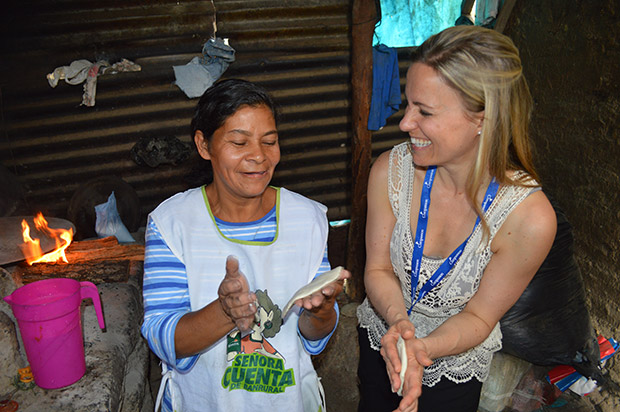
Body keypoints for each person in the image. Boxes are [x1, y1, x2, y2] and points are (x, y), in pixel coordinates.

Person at [356, 25, 557, 412]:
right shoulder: (390, 171)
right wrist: (398, 324)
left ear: (482, 117)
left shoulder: (528, 219)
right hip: (381, 341)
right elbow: (379, 269)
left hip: (450, 368)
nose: (404, 124)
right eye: (408, 104)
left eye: (425, 112)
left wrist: (422, 349)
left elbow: (480, 317)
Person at [141, 78, 350, 412]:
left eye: (270, 141)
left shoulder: (306, 219)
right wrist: (224, 312)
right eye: (239, 142)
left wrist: (322, 311)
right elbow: (161, 337)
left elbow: (314, 338)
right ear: (204, 145)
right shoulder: (173, 223)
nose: (259, 156)